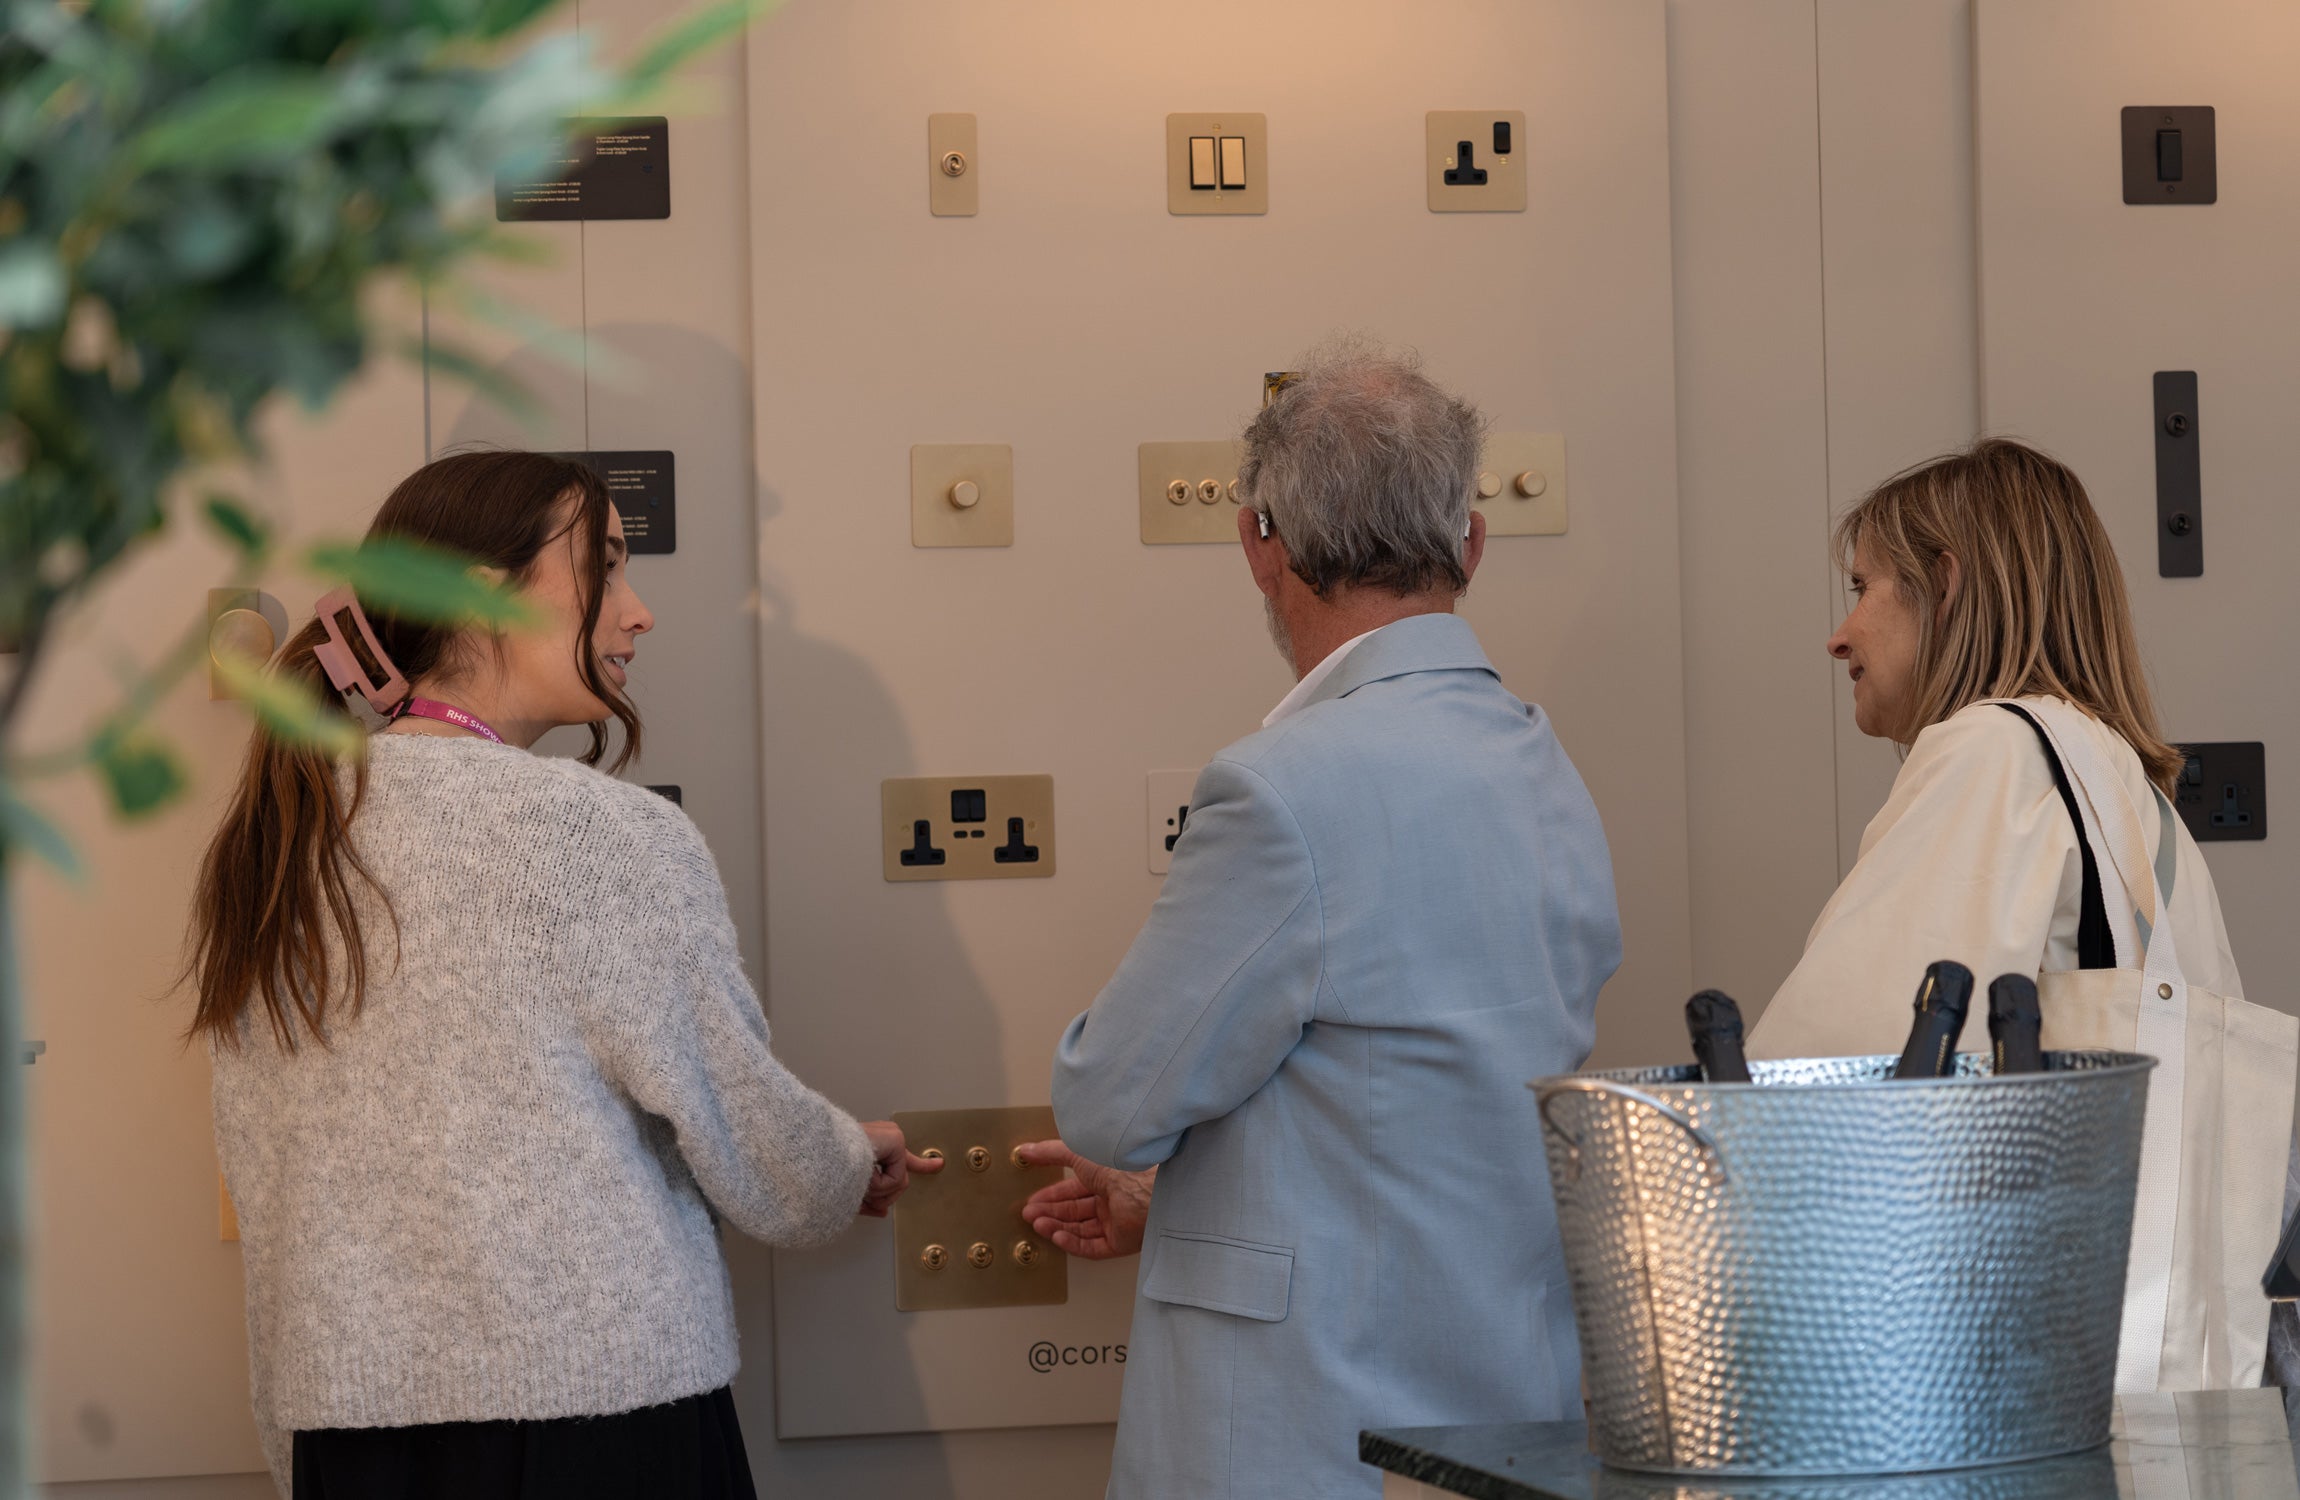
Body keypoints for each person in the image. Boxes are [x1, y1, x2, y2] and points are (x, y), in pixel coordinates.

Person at [185, 451, 937, 1498]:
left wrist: (300, 1440)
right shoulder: (597, 835)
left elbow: (269, 1181)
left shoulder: (281, 839)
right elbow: (750, 1139)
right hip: (598, 1429)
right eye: (606, 566)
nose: (639, 612)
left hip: (352, 1440)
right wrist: (847, 1163)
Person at [1016, 341, 1623, 1499]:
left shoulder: (1280, 790)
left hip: (1304, 1429)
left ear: (1260, 543)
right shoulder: (1544, 768)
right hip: (1507, 1402)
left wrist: (1143, 1167)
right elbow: (1414, 1107)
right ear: (1470, 545)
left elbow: (1110, 1101)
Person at [1749, 437, 2297, 1393]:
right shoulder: (2133, 792)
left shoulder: (1991, 751)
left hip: (2021, 1371)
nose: (1840, 635)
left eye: (1864, 587)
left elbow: (1843, 1074)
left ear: (1946, 583)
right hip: (2179, 1377)